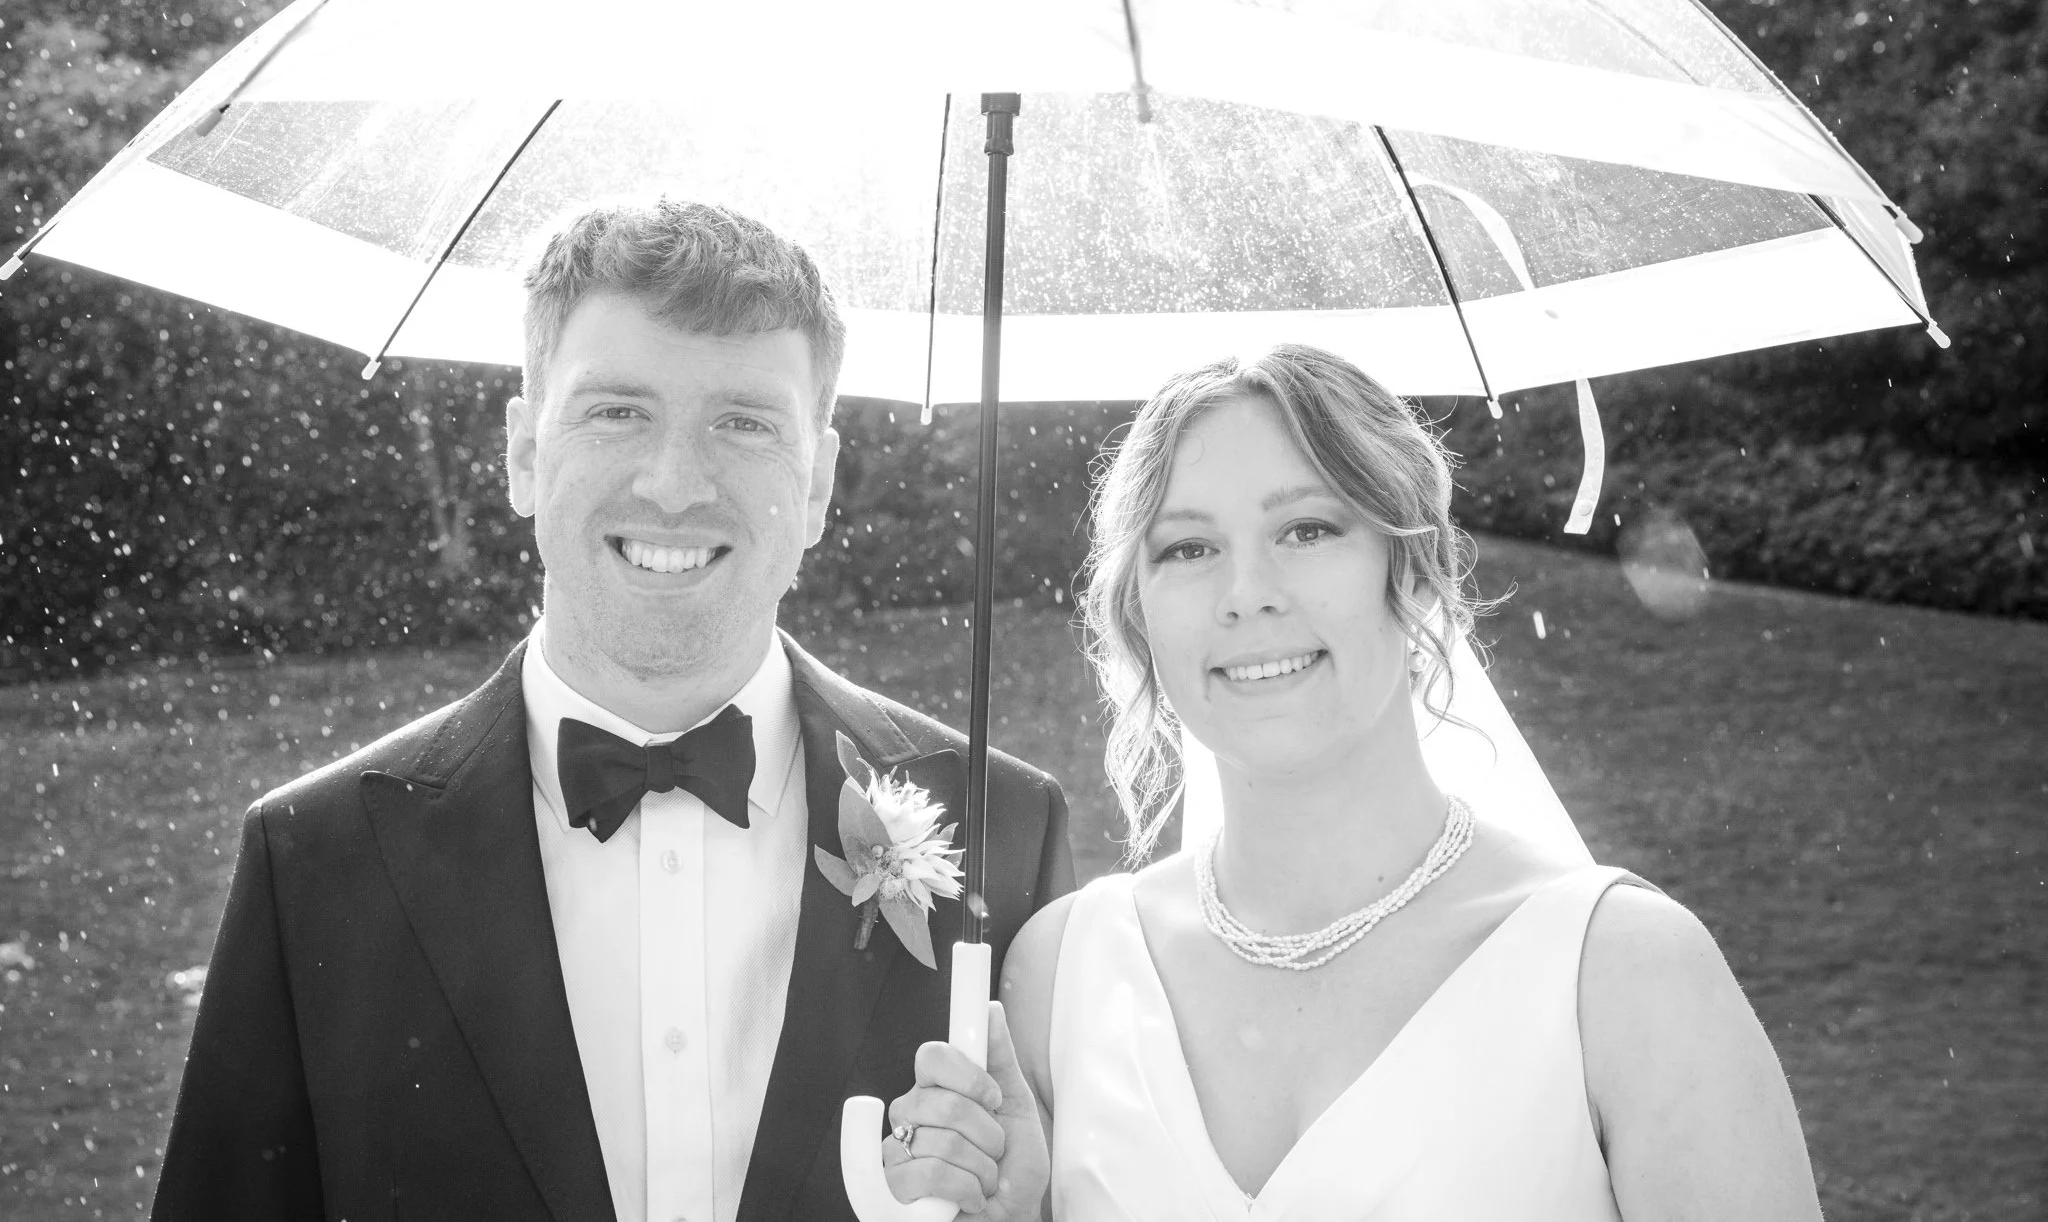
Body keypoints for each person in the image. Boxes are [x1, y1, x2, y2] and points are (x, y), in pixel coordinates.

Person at [149, 197, 1074, 1222]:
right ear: (522, 454)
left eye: (743, 422)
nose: (673, 483)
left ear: (816, 485)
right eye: (616, 410)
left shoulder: (1003, 832)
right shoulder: (314, 861)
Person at [901, 343, 1823, 1219]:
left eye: (1306, 528)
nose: (1246, 590)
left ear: (1410, 569)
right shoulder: (1060, 974)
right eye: (1187, 547)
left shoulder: (1625, 973)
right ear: (1137, 611)